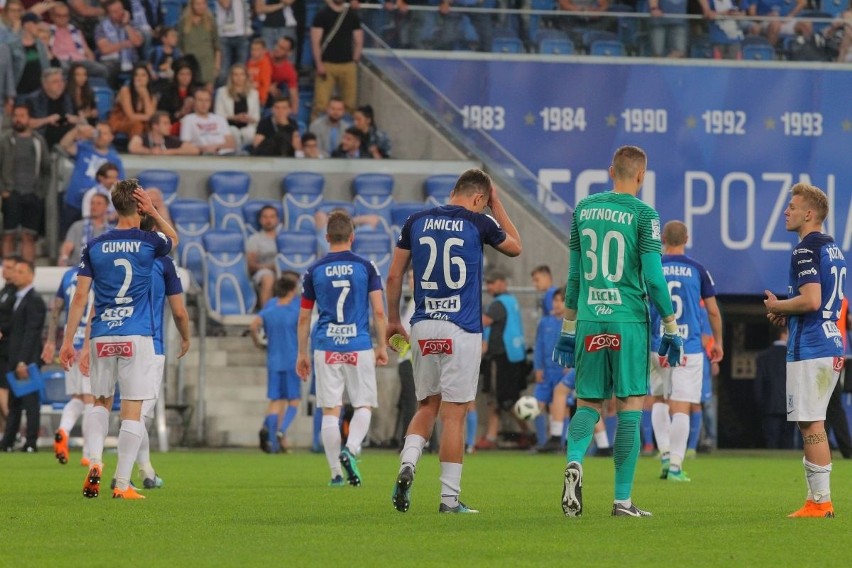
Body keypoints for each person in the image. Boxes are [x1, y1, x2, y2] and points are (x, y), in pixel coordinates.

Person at [553, 145, 683, 518]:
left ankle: (575, 461)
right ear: (641, 176)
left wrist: (567, 328)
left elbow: (574, 277)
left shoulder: (583, 210)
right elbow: (655, 279)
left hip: (590, 318)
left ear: (612, 171)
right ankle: (622, 501)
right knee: (629, 407)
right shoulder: (644, 214)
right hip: (627, 319)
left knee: (589, 403)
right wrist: (670, 326)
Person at [386, 169, 522, 514]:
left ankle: (409, 463)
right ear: (480, 199)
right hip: (460, 329)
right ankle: (449, 500)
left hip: (423, 325)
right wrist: (498, 205)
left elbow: (393, 275)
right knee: (455, 415)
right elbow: (516, 247)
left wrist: (390, 320)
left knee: (426, 406)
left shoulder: (415, 220)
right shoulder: (479, 222)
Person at [59, 179, 177, 500]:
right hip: (136, 334)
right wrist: (152, 209)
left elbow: (81, 297)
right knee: (132, 409)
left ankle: (94, 461)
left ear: (112, 206)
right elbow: (175, 239)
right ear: (138, 205)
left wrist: (69, 341)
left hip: (101, 335)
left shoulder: (94, 246)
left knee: (99, 401)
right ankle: (122, 483)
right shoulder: (149, 242)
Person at [763, 182, 846, 518]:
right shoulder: (833, 248)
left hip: (812, 347)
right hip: (831, 343)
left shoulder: (804, 250)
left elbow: (811, 300)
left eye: (793, 207)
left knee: (811, 424)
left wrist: (779, 304)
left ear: (809, 213)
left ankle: (821, 502)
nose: (786, 211)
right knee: (812, 423)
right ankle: (816, 501)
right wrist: (786, 310)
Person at [296, 210, 389, 487]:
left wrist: (302, 353)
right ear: (353, 236)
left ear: (327, 238)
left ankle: (336, 473)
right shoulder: (367, 267)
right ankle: (352, 448)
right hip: (358, 344)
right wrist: (382, 345)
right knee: (363, 404)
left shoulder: (314, 270)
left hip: (325, 345)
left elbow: (303, 317)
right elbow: (379, 311)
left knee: (330, 410)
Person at [647, 220, 723, 481]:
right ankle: (676, 466)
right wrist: (718, 343)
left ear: (663, 239)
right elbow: (712, 310)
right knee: (682, 406)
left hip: (657, 345)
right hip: (688, 347)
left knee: (658, 399)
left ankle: (665, 454)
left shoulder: (652, 266)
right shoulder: (698, 270)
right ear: (686, 238)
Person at [124, 213, 190, 489]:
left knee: (129, 409)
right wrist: (186, 337)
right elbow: (178, 311)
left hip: (118, 338)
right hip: (152, 343)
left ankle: (147, 471)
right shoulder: (163, 263)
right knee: (139, 413)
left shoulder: (118, 257)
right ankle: (123, 478)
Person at [42, 264, 95, 465]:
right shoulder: (101, 270)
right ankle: (89, 453)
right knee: (93, 399)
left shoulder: (68, 275)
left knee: (78, 397)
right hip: (91, 342)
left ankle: (63, 430)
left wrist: (50, 341)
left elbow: (56, 308)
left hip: (70, 343)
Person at [251, 272, 301, 453]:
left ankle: (272, 443)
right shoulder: (295, 312)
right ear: (291, 291)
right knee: (293, 401)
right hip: (291, 360)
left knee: (276, 401)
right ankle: (281, 430)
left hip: (273, 360)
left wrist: (257, 341)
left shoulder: (269, 310)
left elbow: (253, 325)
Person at [478, 271, 528, 450]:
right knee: (499, 400)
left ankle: (527, 432)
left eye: (492, 282)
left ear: (502, 283)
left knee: (504, 400)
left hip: (501, 358)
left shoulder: (498, 304)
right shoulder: (511, 301)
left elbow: (482, 321)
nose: (489, 287)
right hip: (513, 356)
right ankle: (492, 436)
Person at [0, 259, 46, 452]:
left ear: (30, 275)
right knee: (15, 402)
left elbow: (32, 333)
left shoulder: (34, 299)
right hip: (15, 356)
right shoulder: (18, 298)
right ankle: (8, 441)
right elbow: (16, 329)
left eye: (20, 271)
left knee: (30, 402)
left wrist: (23, 361)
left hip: (25, 360)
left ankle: (31, 442)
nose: (15, 275)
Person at [0, 103, 51, 263]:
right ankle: (6, 272)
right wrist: (3, 191)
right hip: (11, 193)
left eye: (22, 115)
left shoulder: (39, 141)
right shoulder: (5, 140)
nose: (18, 119)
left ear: (29, 118)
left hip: (33, 194)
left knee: (29, 236)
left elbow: (46, 170)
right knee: (9, 234)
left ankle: (28, 271)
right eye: (15, 115)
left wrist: (40, 193)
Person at [58, 120, 124, 237]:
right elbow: (64, 144)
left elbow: (119, 185)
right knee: (68, 237)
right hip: (74, 203)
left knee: (89, 238)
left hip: (97, 207)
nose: (98, 136)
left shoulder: (114, 159)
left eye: (103, 133)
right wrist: (77, 130)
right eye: (97, 132)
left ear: (110, 137)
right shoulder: (83, 147)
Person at [310, 0, 362, 120]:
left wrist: (355, 60)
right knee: (320, 104)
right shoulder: (321, 15)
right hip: (327, 64)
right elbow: (315, 42)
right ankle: (315, 134)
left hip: (348, 64)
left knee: (350, 104)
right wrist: (318, 64)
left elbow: (359, 40)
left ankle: (348, 134)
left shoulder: (352, 15)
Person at [755, 326, 794, 449]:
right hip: (791, 404)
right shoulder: (794, 355)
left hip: (769, 405)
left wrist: (760, 403)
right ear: (784, 334)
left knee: (771, 440)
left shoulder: (763, 356)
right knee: (788, 441)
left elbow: (759, 383)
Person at [21, 67, 78, 149]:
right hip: (42, 143)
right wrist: (47, 120)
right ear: (45, 84)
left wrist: (74, 119)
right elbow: (25, 123)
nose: (60, 84)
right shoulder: (33, 100)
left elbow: (81, 119)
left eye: (62, 81)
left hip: (67, 144)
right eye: (55, 82)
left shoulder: (68, 98)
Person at [48, 3, 109, 79]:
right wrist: (47, 5)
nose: (63, 18)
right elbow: (30, 18)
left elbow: (88, 52)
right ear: (52, 16)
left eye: (65, 15)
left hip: (79, 61)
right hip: (61, 61)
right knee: (64, 69)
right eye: (59, 16)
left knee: (102, 70)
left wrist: (90, 61)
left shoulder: (76, 31)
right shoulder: (47, 30)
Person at [94, 0, 144, 86]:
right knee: (108, 70)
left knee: (146, 69)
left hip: (132, 59)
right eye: (115, 12)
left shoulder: (130, 24)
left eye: (121, 9)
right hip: (112, 61)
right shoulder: (101, 27)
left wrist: (126, 25)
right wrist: (124, 44)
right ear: (108, 14)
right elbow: (105, 49)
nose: (120, 13)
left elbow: (138, 42)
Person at [214, 63, 261, 150]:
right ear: (231, 77)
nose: (239, 77)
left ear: (246, 77)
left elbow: (257, 118)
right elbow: (218, 115)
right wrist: (234, 118)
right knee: (234, 132)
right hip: (229, 126)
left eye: (241, 74)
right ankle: (238, 155)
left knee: (249, 133)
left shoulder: (254, 93)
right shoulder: (222, 92)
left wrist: (248, 118)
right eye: (235, 74)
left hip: (248, 126)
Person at [59, 193, 112, 267]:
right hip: (77, 270)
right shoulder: (78, 226)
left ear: (106, 207)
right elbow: (68, 246)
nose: (94, 206)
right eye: (92, 203)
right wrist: (64, 257)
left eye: (98, 204)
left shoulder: (111, 231)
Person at [178, 0, 221, 89]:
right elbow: (180, 46)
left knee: (207, 96)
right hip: (190, 64)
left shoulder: (211, 21)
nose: (200, 6)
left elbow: (217, 46)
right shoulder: (184, 22)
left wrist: (216, 66)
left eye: (203, 3)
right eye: (197, 4)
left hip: (207, 64)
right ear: (192, 5)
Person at [246, 205, 282, 308]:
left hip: (284, 270)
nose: (268, 220)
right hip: (263, 271)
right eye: (265, 217)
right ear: (260, 220)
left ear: (277, 219)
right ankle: (267, 314)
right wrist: (270, 267)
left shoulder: (285, 238)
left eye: (272, 217)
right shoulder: (254, 239)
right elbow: (251, 265)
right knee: (268, 277)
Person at [180, 87, 236, 155]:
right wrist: (204, 148)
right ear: (194, 102)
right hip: (203, 155)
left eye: (207, 100)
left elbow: (231, 143)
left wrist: (216, 146)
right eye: (200, 100)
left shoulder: (219, 118)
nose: (204, 104)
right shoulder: (188, 119)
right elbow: (185, 145)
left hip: (226, 154)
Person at [109, 62, 155, 138]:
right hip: (120, 121)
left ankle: (153, 147)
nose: (139, 78)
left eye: (143, 75)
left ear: (148, 78)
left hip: (139, 121)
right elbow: (130, 116)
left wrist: (145, 96)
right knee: (137, 124)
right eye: (136, 75)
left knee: (153, 125)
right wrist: (148, 117)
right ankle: (136, 148)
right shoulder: (125, 91)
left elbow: (152, 116)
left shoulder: (152, 96)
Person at [128, 110, 201, 155]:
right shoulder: (142, 138)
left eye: (169, 123)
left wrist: (168, 152)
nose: (169, 126)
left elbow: (194, 150)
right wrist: (150, 152)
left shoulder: (171, 140)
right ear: (155, 126)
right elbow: (133, 147)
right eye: (165, 124)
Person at [215, 0, 252, 85]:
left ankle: (240, 95)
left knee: (242, 71)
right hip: (224, 35)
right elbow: (226, 4)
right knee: (223, 72)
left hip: (243, 34)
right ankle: (222, 95)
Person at [0, 256, 18, 429]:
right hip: (2, 349)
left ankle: (14, 431)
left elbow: (14, 321)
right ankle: (6, 433)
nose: (5, 270)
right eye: (4, 267)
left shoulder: (15, 294)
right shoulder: (5, 291)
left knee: (4, 391)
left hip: (8, 350)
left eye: (9, 267)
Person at [156, 60, 197, 136]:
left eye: (188, 74)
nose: (185, 77)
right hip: (173, 124)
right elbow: (161, 114)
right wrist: (179, 113)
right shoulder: (168, 92)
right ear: (176, 75)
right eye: (182, 74)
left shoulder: (196, 92)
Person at [269, 36, 298, 115]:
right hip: (258, 89)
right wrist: (267, 87)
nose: (277, 49)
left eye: (282, 48)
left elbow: (294, 94)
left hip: (274, 95)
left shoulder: (289, 70)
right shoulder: (264, 57)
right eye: (277, 45)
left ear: (289, 53)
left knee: (285, 89)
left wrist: (294, 114)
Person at [245, 38, 272, 107]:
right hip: (248, 96)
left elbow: (265, 84)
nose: (254, 52)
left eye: (257, 50)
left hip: (259, 100)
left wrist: (262, 99)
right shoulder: (249, 62)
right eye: (252, 49)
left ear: (264, 51)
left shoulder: (265, 64)